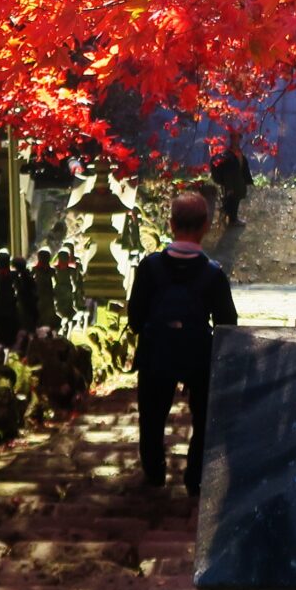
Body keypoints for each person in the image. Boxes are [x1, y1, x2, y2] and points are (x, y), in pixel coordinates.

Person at [126, 190, 239, 491]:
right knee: (203, 418)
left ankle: (154, 471)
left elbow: (135, 320)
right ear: (205, 225)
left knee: (151, 416)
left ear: (172, 224)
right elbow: (228, 324)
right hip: (198, 356)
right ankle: (195, 477)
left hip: (155, 353)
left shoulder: (149, 268)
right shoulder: (213, 274)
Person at [0, 247, 27, 346]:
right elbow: (20, 287)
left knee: (3, 323)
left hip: (1, 301)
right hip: (8, 300)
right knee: (8, 323)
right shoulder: (12, 274)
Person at [210, 139, 252, 226]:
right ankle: (232, 219)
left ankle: (230, 217)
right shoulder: (228, 157)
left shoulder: (238, 154)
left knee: (235, 199)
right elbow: (227, 174)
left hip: (236, 181)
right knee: (232, 199)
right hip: (230, 183)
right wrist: (229, 187)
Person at [54, 246, 85, 328]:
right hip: (65, 288)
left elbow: (73, 280)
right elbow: (74, 281)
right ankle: (67, 321)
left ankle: (67, 321)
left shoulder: (57, 269)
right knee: (64, 305)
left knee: (64, 305)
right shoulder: (68, 269)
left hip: (63, 288)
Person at [29, 247, 58, 334]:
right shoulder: (40, 269)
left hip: (44, 292)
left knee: (45, 310)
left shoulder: (48, 270)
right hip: (42, 293)